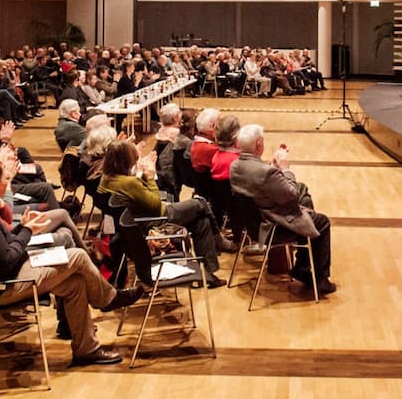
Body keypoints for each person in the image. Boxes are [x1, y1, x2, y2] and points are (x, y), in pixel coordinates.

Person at [0, 153, 141, 367]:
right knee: (76, 255)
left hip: (4, 275)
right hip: (0, 288)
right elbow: (7, 259)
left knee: (75, 285)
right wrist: (28, 231)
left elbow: (2, 246)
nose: (8, 181)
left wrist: (23, 227)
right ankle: (108, 299)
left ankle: (87, 349)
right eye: (5, 179)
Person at [97, 139, 226, 287]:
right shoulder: (128, 183)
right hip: (156, 218)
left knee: (202, 223)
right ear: (125, 159)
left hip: (138, 220)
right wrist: (151, 176)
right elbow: (156, 204)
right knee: (201, 203)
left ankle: (208, 275)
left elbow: (137, 193)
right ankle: (219, 240)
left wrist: (142, 174)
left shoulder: (107, 179)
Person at [229, 124, 335, 294]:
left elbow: (259, 184)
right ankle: (316, 276)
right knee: (321, 221)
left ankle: (304, 264)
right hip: (272, 227)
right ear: (259, 144)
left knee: (303, 192)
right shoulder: (267, 173)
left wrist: (273, 166)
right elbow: (290, 194)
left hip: (253, 224)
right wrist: (285, 169)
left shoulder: (235, 166)